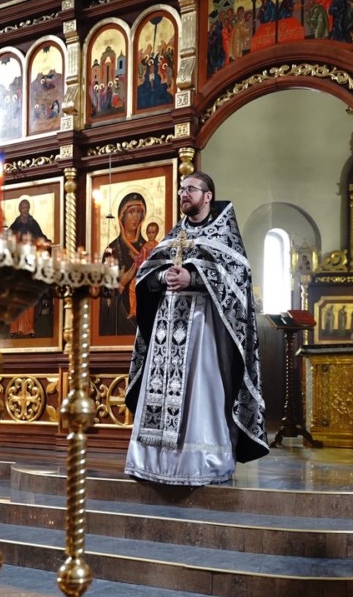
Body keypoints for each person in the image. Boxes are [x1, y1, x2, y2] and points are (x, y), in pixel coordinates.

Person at [125, 171, 269, 486]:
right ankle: (154, 463)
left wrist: (194, 277)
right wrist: (163, 277)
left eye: (191, 189)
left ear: (207, 196)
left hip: (204, 332)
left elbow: (238, 277)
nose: (183, 194)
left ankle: (199, 464)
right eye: (181, 189)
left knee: (199, 396)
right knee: (162, 393)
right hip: (166, 333)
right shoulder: (174, 235)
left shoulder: (224, 236)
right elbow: (147, 274)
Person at [99, 192, 147, 336]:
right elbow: (104, 292)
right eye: (131, 212)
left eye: (139, 212)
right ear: (122, 216)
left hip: (144, 311)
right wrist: (121, 283)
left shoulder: (149, 249)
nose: (136, 217)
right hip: (120, 318)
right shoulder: (112, 250)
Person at [8, 199, 50, 337]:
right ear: (19, 209)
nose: (24, 210)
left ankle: (29, 328)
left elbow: (41, 239)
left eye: (26, 207)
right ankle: (14, 328)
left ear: (29, 208)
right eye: (22, 207)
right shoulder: (15, 224)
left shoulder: (33, 224)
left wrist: (35, 241)